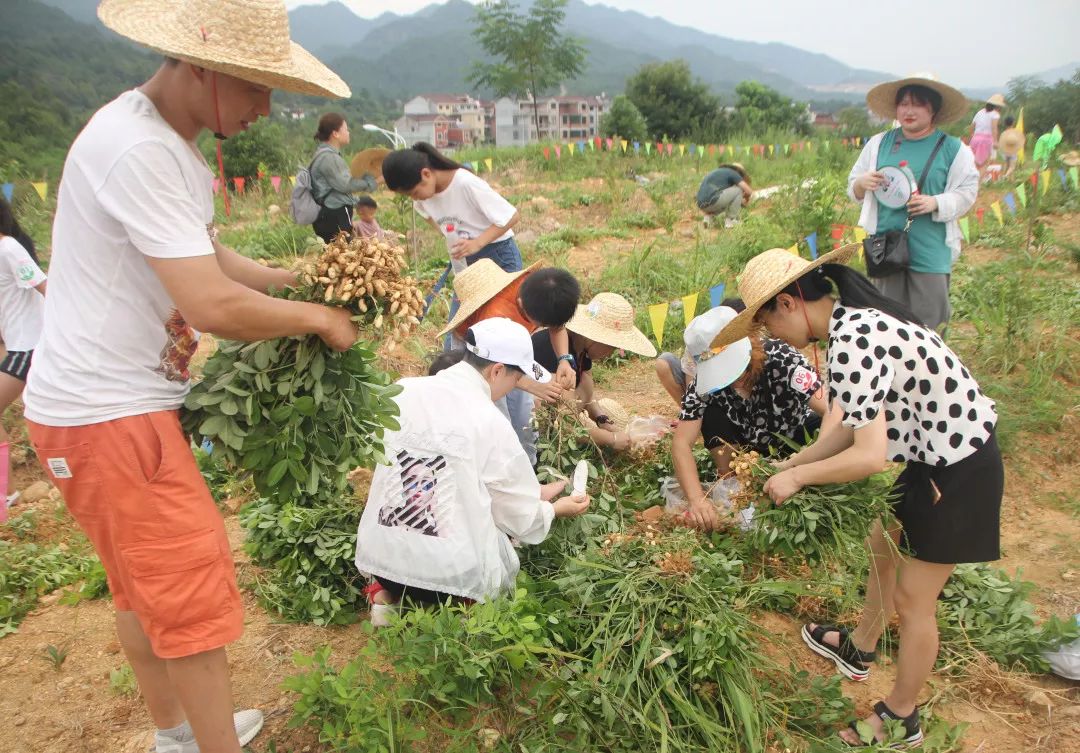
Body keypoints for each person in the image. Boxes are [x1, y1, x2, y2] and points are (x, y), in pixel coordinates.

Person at [22, 3, 358, 752]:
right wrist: (319, 318)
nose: (265, 107)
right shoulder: (139, 148)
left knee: (143, 587)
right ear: (199, 63)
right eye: (253, 87)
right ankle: (209, 744)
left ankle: (177, 732)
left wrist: (289, 277)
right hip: (111, 416)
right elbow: (207, 301)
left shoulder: (164, 140)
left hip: (93, 409)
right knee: (186, 584)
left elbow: (210, 261)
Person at [712, 246, 1002, 748]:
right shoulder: (852, 323)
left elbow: (869, 457)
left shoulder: (853, 340)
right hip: (928, 461)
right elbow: (847, 427)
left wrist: (801, 480)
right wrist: (794, 462)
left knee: (915, 602)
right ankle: (861, 647)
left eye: (767, 324)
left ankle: (902, 715)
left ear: (788, 304)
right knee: (881, 544)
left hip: (957, 470)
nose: (771, 337)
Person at [355, 318, 590, 626]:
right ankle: (462, 615)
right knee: (499, 551)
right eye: (515, 379)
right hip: (450, 578)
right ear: (496, 371)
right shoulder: (488, 420)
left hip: (383, 561)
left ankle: (385, 597)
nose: (514, 387)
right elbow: (519, 518)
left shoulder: (401, 390)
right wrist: (551, 509)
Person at [672, 303, 827, 532]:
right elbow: (681, 443)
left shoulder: (781, 358)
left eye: (738, 370)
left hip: (791, 439)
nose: (736, 381)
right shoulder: (702, 387)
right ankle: (734, 486)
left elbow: (831, 409)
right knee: (712, 414)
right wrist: (696, 499)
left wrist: (805, 463)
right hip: (746, 454)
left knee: (822, 425)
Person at [852, 74, 979, 333]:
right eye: (903, 104)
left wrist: (936, 202)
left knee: (929, 325)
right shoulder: (879, 143)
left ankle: (929, 374)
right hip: (886, 247)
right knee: (885, 321)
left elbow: (967, 191)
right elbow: (854, 186)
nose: (909, 111)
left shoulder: (953, 149)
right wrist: (862, 183)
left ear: (933, 109)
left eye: (918, 104)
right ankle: (892, 373)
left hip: (930, 249)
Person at [438, 260, 581, 465]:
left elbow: (557, 328)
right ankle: (493, 469)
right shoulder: (495, 317)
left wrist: (564, 360)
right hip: (479, 356)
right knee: (496, 418)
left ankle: (528, 466)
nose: (544, 328)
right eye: (542, 325)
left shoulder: (542, 291)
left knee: (523, 416)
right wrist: (532, 384)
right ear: (523, 307)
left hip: (510, 353)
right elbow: (494, 368)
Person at [527, 292, 657, 451]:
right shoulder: (554, 349)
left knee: (586, 381)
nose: (610, 353)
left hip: (556, 411)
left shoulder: (580, 347)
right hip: (529, 421)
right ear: (596, 338)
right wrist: (611, 439)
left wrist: (601, 418)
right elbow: (567, 424)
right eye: (612, 346)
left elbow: (587, 392)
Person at [382, 142, 523, 275]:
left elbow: (511, 216)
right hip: (465, 260)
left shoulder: (465, 183)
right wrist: (453, 239)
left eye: (414, 193)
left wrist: (476, 243)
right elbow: (430, 218)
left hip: (498, 255)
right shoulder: (422, 200)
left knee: (501, 302)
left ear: (426, 174)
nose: (414, 199)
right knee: (467, 302)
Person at [0, 203, 47, 516]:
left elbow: (47, 288)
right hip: (19, 345)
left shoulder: (8, 247)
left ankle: (7, 495)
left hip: (28, 347)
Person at [309, 112, 377, 243]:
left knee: (335, 255)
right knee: (343, 253)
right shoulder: (329, 158)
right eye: (346, 129)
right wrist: (368, 182)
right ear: (335, 133)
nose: (348, 132)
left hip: (327, 213)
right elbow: (346, 185)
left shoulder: (323, 154)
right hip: (334, 213)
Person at [696, 162, 752, 228]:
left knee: (725, 199)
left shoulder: (718, 172)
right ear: (738, 171)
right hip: (714, 199)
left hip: (701, 204)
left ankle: (708, 218)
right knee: (738, 190)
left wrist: (739, 201)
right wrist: (746, 199)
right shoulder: (733, 173)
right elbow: (749, 191)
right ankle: (731, 220)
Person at [968, 94, 1004, 180]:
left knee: (974, 163)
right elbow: (994, 128)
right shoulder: (995, 114)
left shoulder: (980, 112)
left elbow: (972, 126)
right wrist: (995, 141)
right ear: (998, 106)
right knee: (984, 163)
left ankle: (970, 183)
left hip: (975, 138)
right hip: (986, 140)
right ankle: (977, 184)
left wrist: (972, 136)